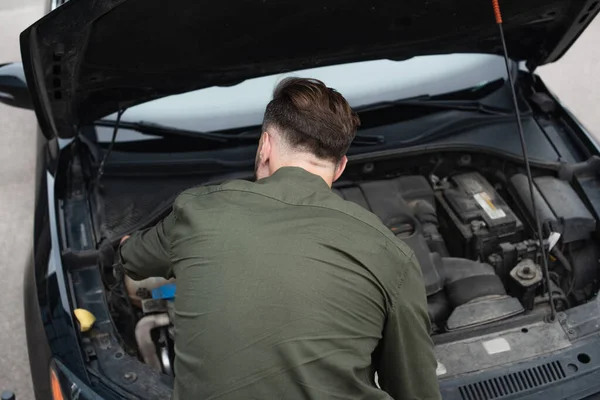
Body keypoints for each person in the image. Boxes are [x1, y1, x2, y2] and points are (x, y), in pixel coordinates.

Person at [119, 77, 441, 400]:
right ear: (340, 166)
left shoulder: (197, 211)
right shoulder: (393, 257)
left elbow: (131, 258)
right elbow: (416, 392)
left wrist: (124, 246)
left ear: (265, 146)